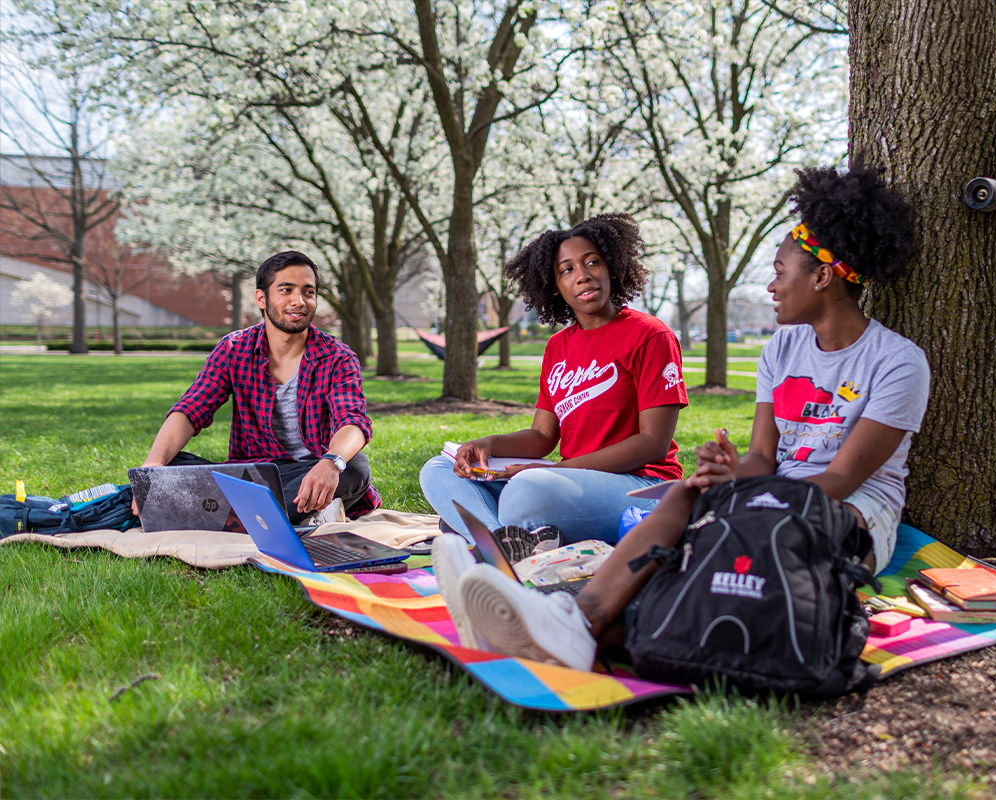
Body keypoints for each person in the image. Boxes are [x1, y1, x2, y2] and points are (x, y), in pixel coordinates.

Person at [432, 163, 931, 670]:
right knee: (683, 499)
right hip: (773, 493)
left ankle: (557, 605)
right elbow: (762, 457)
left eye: (780, 272)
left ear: (823, 276)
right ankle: (574, 620)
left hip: (853, 510)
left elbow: (843, 478)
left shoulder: (896, 362)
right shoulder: (781, 351)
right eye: (566, 269)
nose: (770, 287)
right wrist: (733, 473)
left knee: (726, 548)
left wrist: (749, 489)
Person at [419, 213, 688, 546]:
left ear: (613, 269)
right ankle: (501, 542)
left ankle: (481, 531)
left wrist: (556, 472)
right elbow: (543, 435)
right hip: (569, 479)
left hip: (641, 486)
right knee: (438, 470)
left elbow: (653, 443)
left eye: (593, 262)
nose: (583, 276)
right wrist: (487, 445)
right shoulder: (558, 346)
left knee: (525, 491)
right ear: (555, 287)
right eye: (568, 269)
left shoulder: (650, 334)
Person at [135, 250, 379, 523]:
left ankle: (222, 513)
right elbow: (191, 410)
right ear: (261, 298)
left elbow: (352, 421)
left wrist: (331, 462)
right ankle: (270, 516)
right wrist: (153, 468)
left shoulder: (337, 357)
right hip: (251, 475)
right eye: (286, 290)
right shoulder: (233, 349)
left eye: (308, 292)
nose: (298, 301)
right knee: (173, 464)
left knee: (354, 468)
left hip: (309, 473)